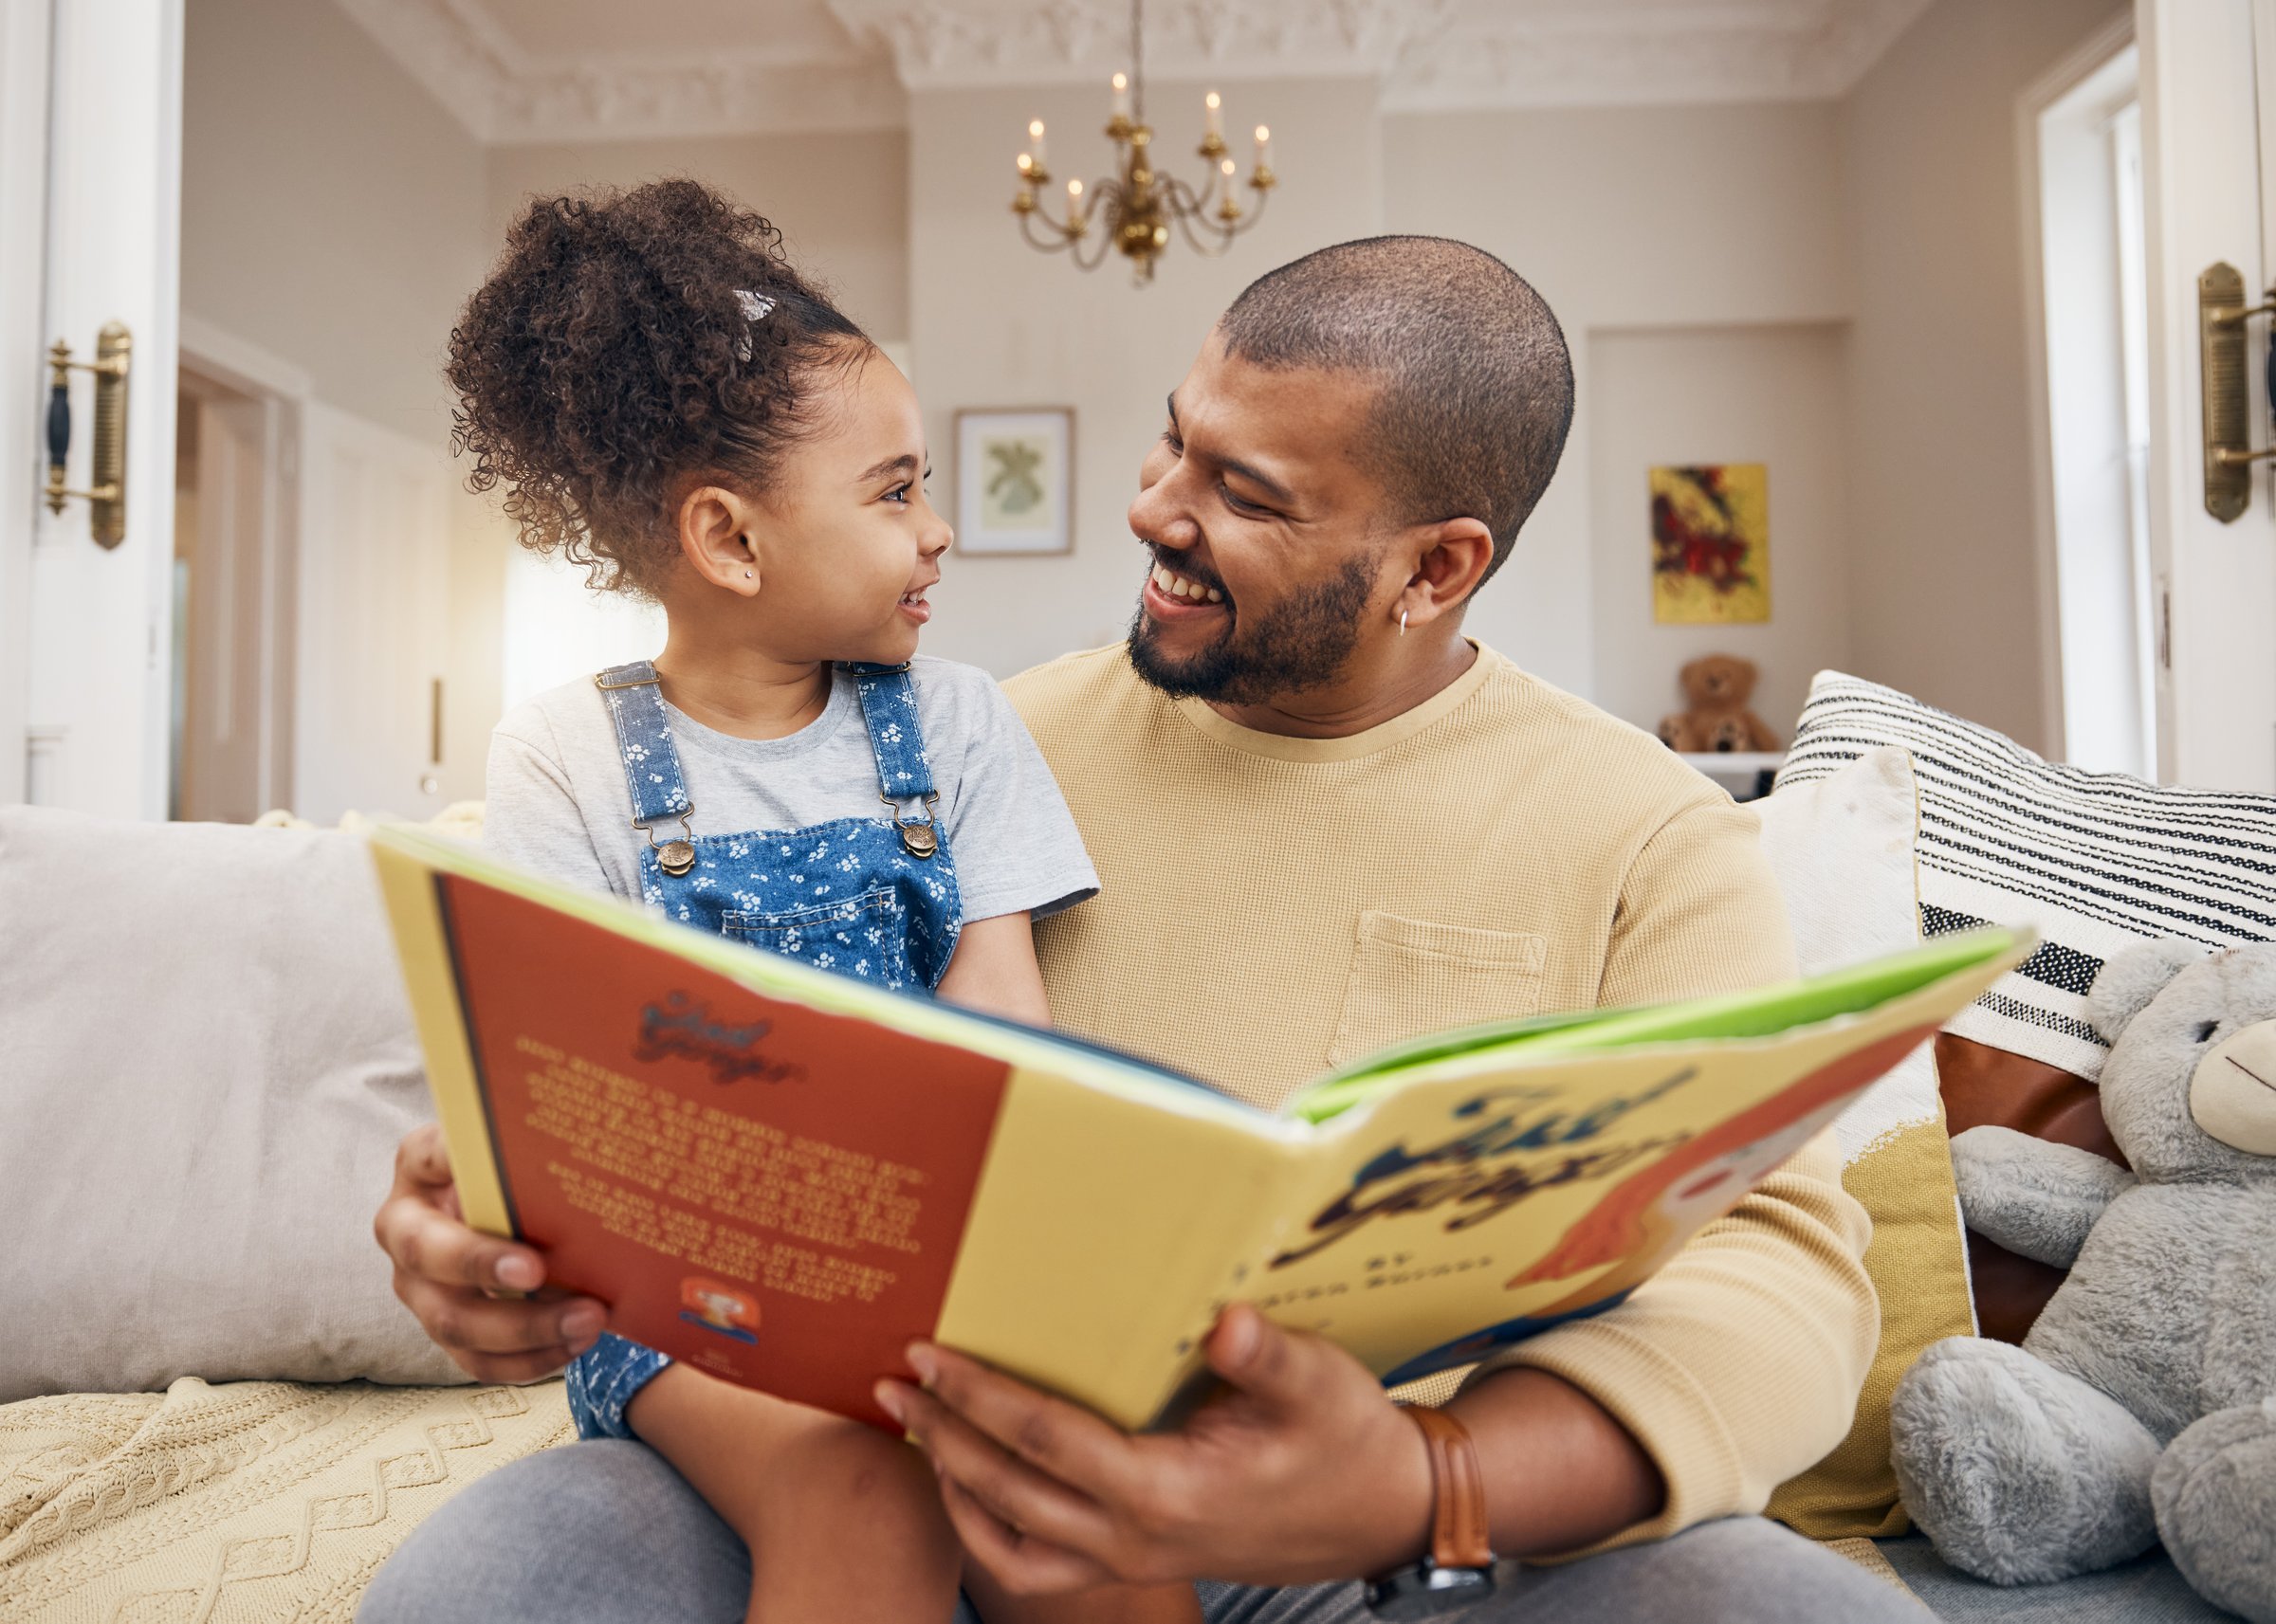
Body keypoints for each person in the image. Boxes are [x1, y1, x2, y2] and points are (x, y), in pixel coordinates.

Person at [365, 236, 1920, 1624]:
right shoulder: (985, 740)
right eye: (1175, 443)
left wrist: (1419, 1475)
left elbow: (1777, 1270)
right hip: (939, 1468)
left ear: (1437, 568)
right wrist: (490, 1223)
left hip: (1396, 1541)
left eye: (1244, 495)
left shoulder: (1649, 834)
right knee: (506, 1579)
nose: (1152, 511)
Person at [420, 177, 1195, 1624]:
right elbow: (558, 1102)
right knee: (861, 1479)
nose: (939, 527)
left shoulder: (956, 723)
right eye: (897, 490)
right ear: (727, 538)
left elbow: (1007, 1031)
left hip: (936, 1273)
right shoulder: (564, 755)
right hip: (687, 1313)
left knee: (1076, 1503)